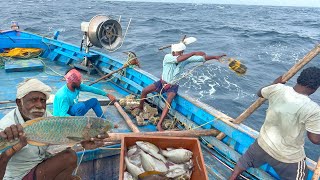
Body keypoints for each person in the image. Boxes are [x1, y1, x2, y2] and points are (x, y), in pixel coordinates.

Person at [229, 67, 320, 180]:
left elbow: (260, 92)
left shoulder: (277, 88)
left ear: (299, 79)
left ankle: (233, 177)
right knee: (301, 175)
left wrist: (273, 84)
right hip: (287, 157)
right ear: (315, 88)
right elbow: (315, 139)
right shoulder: (313, 109)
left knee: (243, 163)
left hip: (263, 144)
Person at [135, 42, 226, 131]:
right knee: (144, 91)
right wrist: (193, 53)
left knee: (168, 102)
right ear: (173, 52)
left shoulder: (185, 59)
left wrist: (215, 57)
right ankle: (140, 107)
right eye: (180, 52)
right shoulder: (168, 57)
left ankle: (159, 124)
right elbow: (178, 59)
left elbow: (202, 58)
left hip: (173, 86)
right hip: (162, 83)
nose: (181, 54)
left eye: (182, 52)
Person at [0, 78, 78, 179]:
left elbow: (63, 136)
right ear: (19, 102)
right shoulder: (6, 127)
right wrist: (7, 154)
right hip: (18, 176)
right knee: (69, 158)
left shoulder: (45, 116)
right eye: (33, 100)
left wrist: (82, 140)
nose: (39, 105)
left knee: (70, 161)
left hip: (39, 164)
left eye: (43, 100)